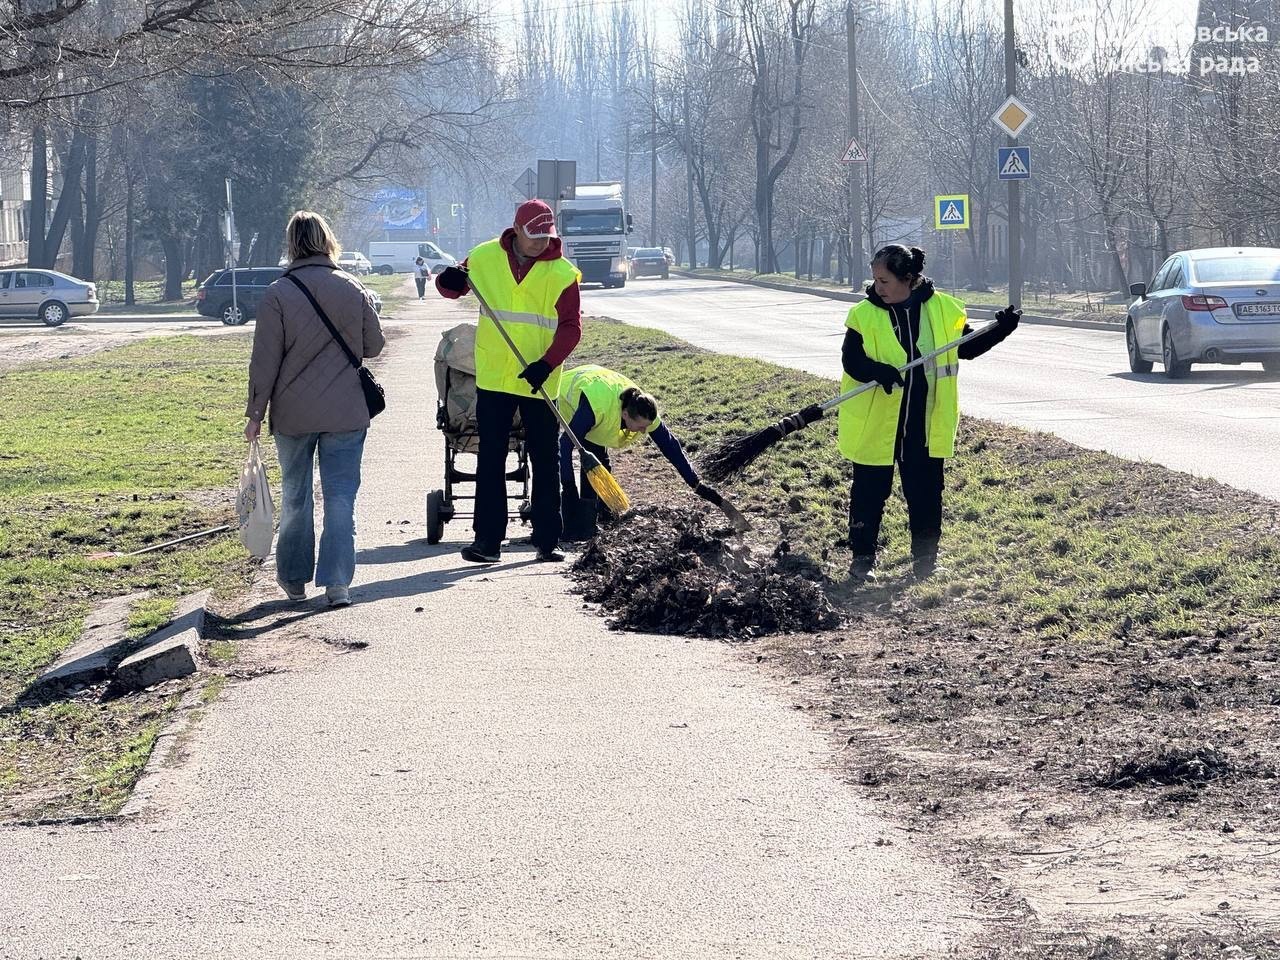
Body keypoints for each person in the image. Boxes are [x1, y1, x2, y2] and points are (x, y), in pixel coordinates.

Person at [840, 244, 1020, 582]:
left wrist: (1000, 330)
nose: (878, 288)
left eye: (885, 281)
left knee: (925, 495)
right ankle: (862, 559)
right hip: (877, 424)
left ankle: (926, 563)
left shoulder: (942, 309)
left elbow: (964, 348)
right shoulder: (864, 313)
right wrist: (877, 370)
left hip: (923, 422)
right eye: (876, 280)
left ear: (908, 279)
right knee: (868, 494)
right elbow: (852, 360)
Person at [244, 210, 386, 607]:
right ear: (327, 240)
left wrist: (255, 413)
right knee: (341, 497)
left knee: (295, 496)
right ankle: (338, 582)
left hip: (293, 414)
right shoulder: (351, 286)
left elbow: (264, 361)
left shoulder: (278, 293)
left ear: (291, 243)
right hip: (345, 412)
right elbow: (373, 346)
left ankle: (293, 579)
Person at [435, 199, 582, 564]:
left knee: (544, 459)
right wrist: (447, 279)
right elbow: (452, 287)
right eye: (533, 237)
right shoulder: (484, 257)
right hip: (494, 376)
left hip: (540, 381)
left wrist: (546, 364)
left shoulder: (563, 274)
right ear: (516, 230)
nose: (540, 243)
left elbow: (571, 329)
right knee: (491, 459)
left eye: (546, 237)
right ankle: (487, 542)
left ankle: (548, 540)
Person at [556, 364, 731, 539]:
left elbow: (670, 447)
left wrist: (695, 483)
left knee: (599, 464)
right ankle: (574, 520)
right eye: (640, 427)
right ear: (625, 415)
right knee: (580, 457)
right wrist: (569, 489)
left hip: (601, 391)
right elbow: (564, 445)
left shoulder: (644, 410)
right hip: (564, 395)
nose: (642, 432)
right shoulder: (597, 408)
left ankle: (596, 517)